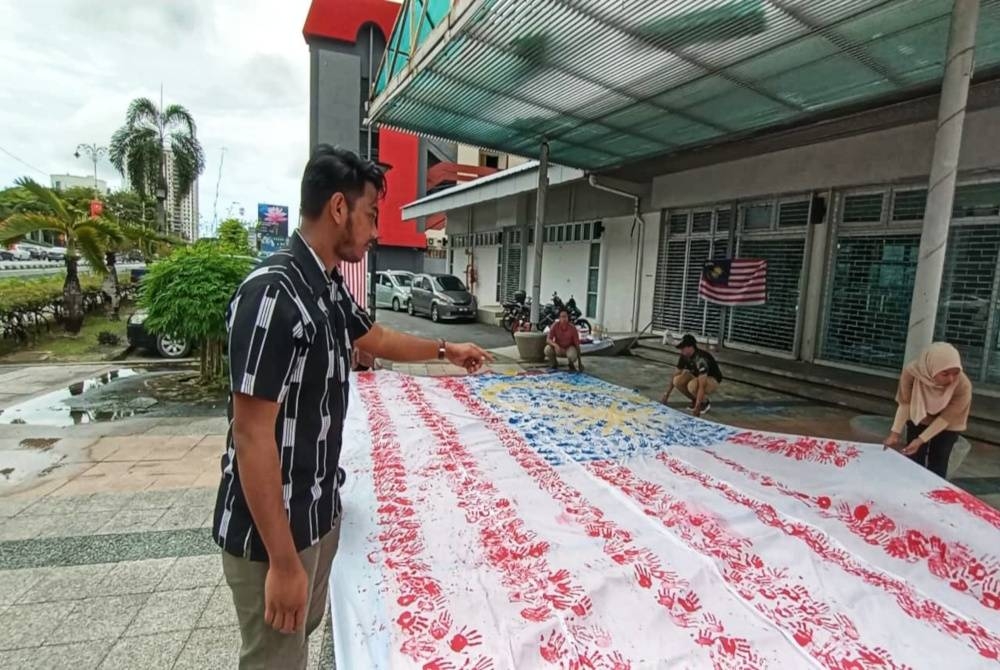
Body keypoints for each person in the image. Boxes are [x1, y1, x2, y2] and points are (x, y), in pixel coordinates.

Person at [214, 145, 493, 670]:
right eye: (371, 215)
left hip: (317, 512)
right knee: (274, 659)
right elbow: (251, 436)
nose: (376, 230)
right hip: (270, 533)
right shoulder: (275, 295)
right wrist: (282, 561)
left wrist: (444, 350)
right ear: (339, 209)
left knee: (298, 641)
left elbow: (376, 336)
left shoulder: (324, 285)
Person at [883, 342, 972, 479]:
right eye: (945, 373)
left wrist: (920, 440)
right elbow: (905, 403)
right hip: (920, 414)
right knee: (913, 457)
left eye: (955, 373)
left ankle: (932, 493)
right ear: (931, 368)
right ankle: (912, 488)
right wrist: (894, 434)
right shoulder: (912, 373)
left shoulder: (963, 385)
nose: (951, 379)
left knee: (939, 458)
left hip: (949, 423)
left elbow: (946, 419)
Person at [659, 334, 723, 417]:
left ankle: (704, 403)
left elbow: (701, 385)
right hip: (697, 376)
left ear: (690, 347)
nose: (681, 350)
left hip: (712, 379)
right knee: (677, 380)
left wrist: (698, 406)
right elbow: (676, 373)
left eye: (683, 348)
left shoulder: (701, 359)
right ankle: (695, 399)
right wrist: (666, 394)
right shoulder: (684, 356)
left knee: (692, 386)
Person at [545, 307, 583, 371]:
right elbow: (548, 339)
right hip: (558, 348)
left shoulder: (572, 328)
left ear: (568, 317)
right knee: (547, 349)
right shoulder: (555, 325)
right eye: (562, 317)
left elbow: (577, 345)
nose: (564, 319)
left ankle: (571, 364)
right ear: (559, 318)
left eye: (565, 317)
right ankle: (554, 363)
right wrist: (555, 345)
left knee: (572, 356)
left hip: (569, 348)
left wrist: (580, 363)